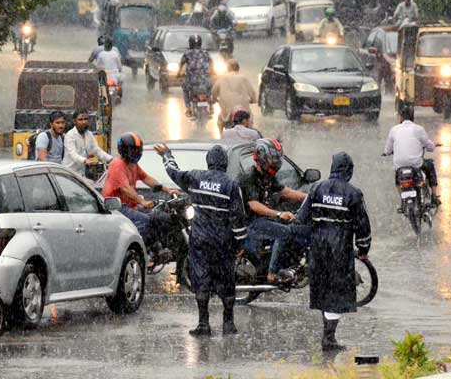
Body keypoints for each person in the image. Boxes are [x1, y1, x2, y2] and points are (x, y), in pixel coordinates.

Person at [154, 143, 247, 336]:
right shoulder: (231, 185)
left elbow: (173, 171)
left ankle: (204, 324)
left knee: (201, 279)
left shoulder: (195, 178)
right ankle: (228, 323)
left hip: (200, 240)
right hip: (223, 242)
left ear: (208, 162)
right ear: (225, 163)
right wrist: (239, 243)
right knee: (226, 281)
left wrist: (166, 154)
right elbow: (238, 218)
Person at [290, 152, 371, 351]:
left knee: (323, 288)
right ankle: (329, 338)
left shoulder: (317, 188)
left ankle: (328, 335)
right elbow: (363, 226)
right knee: (336, 291)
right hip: (340, 248)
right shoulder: (353, 193)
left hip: (318, 247)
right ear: (349, 170)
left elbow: (302, 217)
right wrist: (363, 249)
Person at [239, 139, 308, 283]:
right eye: (273, 158)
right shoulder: (249, 177)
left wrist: (310, 198)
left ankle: (290, 265)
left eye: (277, 158)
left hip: (263, 218)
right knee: (284, 233)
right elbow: (254, 205)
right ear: (262, 158)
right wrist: (278, 214)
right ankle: (273, 273)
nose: (276, 161)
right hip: (251, 222)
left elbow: (285, 191)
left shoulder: (267, 175)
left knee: (297, 227)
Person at [102, 132, 177, 261]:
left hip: (130, 205)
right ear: (124, 150)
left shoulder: (133, 164)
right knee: (145, 221)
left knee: (159, 216)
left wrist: (167, 190)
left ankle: (156, 249)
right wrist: (142, 201)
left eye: (137, 150)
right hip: (116, 207)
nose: (135, 153)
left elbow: (146, 178)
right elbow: (125, 188)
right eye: (132, 150)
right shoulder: (117, 164)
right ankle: (139, 254)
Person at [383, 108, 440, 206]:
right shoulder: (418, 129)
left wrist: (386, 153)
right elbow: (429, 146)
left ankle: (403, 201)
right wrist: (434, 145)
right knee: (430, 166)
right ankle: (434, 195)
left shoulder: (394, 129)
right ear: (413, 118)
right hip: (415, 164)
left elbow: (387, 150)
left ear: (401, 118)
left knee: (398, 181)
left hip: (400, 164)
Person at [63, 108, 113, 177]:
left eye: (85, 119)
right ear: (74, 121)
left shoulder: (89, 134)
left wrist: (111, 159)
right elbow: (73, 155)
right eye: (80, 119)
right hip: (69, 173)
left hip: (82, 173)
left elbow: (97, 150)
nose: (84, 122)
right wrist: (85, 160)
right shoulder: (70, 135)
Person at [211, 59, 256, 134]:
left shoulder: (221, 78)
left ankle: (222, 137)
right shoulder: (243, 78)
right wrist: (253, 100)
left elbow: (214, 91)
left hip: (226, 113)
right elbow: (252, 92)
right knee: (250, 118)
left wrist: (214, 99)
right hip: (243, 109)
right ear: (238, 68)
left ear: (227, 68)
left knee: (220, 121)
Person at [178, 35, 213, 117]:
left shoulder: (187, 53)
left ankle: (188, 108)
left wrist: (178, 74)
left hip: (191, 82)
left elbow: (181, 64)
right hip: (204, 82)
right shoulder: (205, 53)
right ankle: (211, 106)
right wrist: (213, 72)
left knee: (184, 89)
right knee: (210, 87)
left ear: (190, 43)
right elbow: (211, 63)